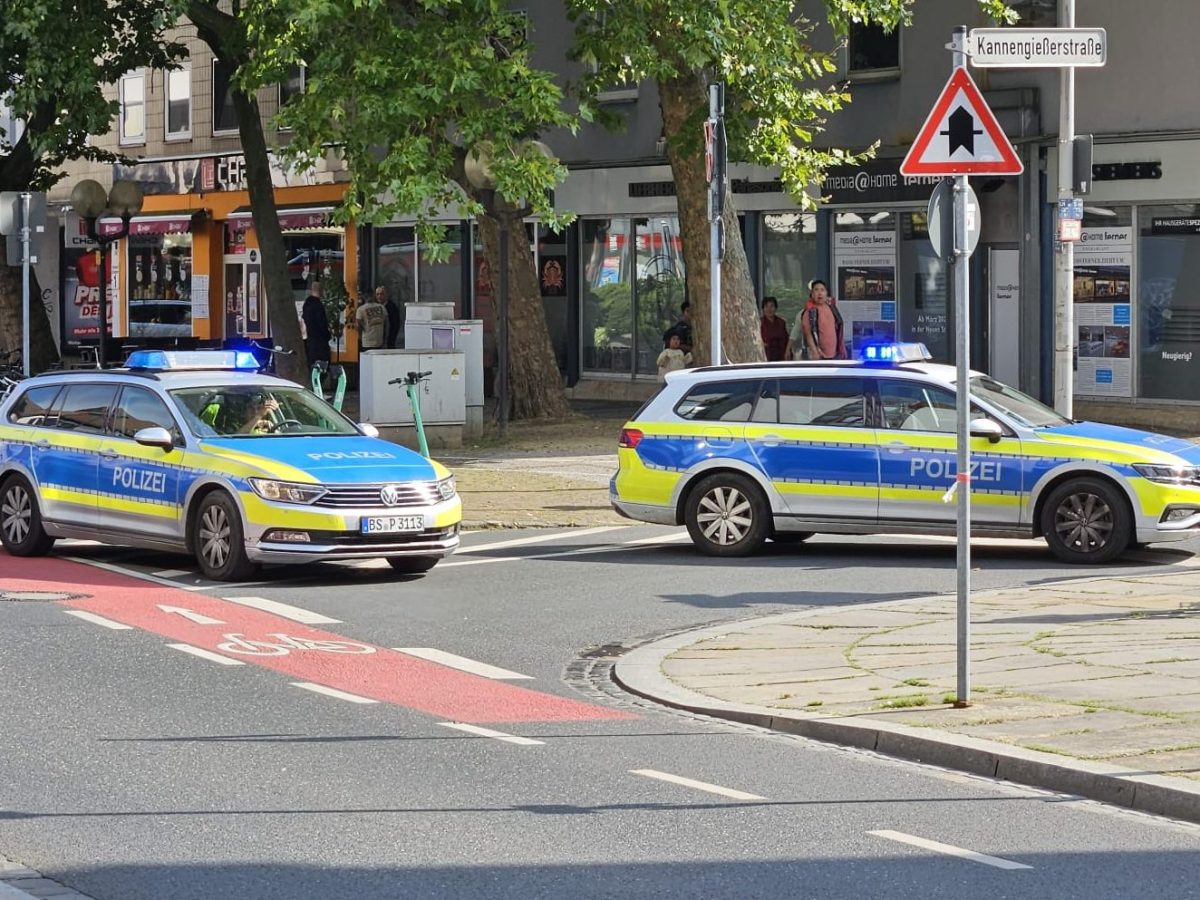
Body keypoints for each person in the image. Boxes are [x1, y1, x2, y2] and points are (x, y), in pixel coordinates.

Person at [789, 279, 847, 361]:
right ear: (812, 294)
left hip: (835, 353)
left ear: (826, 293)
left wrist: (842, 347)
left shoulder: (832, 308)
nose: (819, 293)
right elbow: (808, 334)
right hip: (819, 355)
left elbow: (838, 328)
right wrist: (814, 351)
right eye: (816, 290)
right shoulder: (809, 312)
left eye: (822, 290)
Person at [301, 281, 332, 370]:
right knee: (322, 365)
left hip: (310, 339)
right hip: (319, 341)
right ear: (321, 290)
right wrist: (327, 334)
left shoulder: (307, 304)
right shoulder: (318, 305)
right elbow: (321, 323)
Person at [356, 286, 388, 351]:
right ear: (373, 295)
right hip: (379, 342)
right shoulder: (381, 307)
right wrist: (385, 338)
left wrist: (360, 337)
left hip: (366, 342)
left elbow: (358, 325)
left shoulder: (360, 309)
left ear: (363, 296)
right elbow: (387, 324)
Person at [760, 296, 789, 362]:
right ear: (763, 309)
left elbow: (786, 339)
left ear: (775, 308)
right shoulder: (759, 323)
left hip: (780, 355)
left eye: (771, 306)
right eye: (766, 306)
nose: (769, 309)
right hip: (766, 356)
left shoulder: (781, 323)